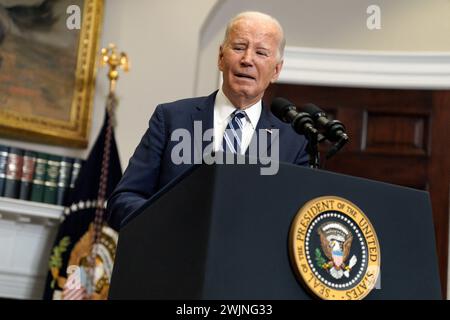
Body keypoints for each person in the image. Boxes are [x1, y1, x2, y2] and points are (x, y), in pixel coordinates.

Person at [107, 11, 309, 230]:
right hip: (173, 259)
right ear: (221, 57)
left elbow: (295, 226)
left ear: (276, 70)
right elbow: (123, 201)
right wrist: (171, 224)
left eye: (261, 52)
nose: (247, 60)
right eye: (239, 47)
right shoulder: (171, 119)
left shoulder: (294, 143)